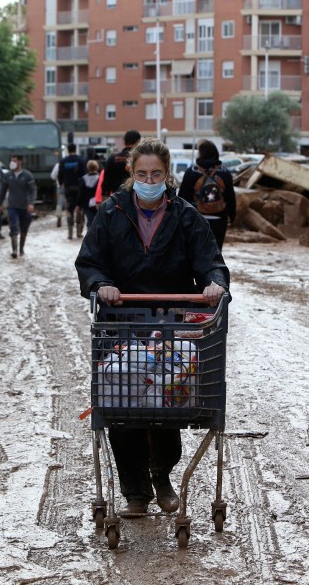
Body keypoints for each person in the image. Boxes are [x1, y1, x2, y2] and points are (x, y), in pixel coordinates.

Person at [75, 137, 230, 515]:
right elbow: (90, 262)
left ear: (167, 175)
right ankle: (135, 493)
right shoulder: (111, 213)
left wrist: (214, 283)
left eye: (156, 173)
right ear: (131, 173)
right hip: (122, 322)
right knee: (124, 403)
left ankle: (161, 476)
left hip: (172, 324)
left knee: (167, 403)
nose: (149, 179)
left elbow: (210, 260)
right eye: (142, 173)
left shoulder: (185, 216)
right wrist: (101, 285)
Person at [178, 139, 237, 251]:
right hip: (219, 219)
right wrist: (232, 216)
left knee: (196, 253)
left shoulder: (192, 171)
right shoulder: (224, 172)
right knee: (216, 252)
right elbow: (231, 197)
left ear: (200, 153)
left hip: (196, 219)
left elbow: (182, 198)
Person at [1, 155, 37, 258]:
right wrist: (0, 203)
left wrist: (31, 203)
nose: (12, 162)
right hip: (12, 206)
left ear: (20, 162)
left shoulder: (27, 175)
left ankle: (21, 249)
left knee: (24, 229)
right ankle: (14, 250)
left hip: (25, 207)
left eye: (15, 161)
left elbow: (32, 191)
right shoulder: (8, 176)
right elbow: (3, 190)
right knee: (14, 227)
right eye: (11, 160)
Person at [59, 144, 87, 239]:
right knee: (79, 208)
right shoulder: (81, 161)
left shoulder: (63, 161)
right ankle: (79, 232)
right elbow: (85, 175)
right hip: (79, 188)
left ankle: (70, 233)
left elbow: (60, 175)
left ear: (67, 150)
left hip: (68, 188)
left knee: (69, 209)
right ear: (76, 149)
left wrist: (61, 183)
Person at [101, 129, 141, 198]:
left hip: (117, 200)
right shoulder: (140, 159)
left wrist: (104, 202)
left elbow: (106, 183)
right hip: (137, 200)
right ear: (138, 142)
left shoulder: (113, 159)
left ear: (124, 142)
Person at [76, 159, 101, 229]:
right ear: (97, 167)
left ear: (88, 168)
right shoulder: (100, 178)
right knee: (99, 220)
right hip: (98, 203)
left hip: (86, 204)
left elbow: (81, 193)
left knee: (89, 221)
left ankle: (90, 237)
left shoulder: (83, 179)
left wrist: (78, 205)